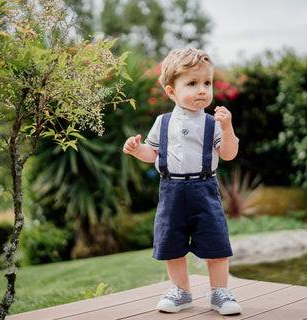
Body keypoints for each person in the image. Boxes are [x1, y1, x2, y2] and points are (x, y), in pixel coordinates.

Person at [123, 48, 242, 315]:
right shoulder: (162, 122)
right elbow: (152, 153)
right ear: (171, 92)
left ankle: (220, 292)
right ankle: (181, 291)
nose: (202, 90)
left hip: (204, 189)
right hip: (171, 190)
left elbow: (228, 154)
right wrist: (136, 149)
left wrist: (227, 128)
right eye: (192, 83)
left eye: (207, 83)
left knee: (215, 241)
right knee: (171, 242)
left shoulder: (213, 124)